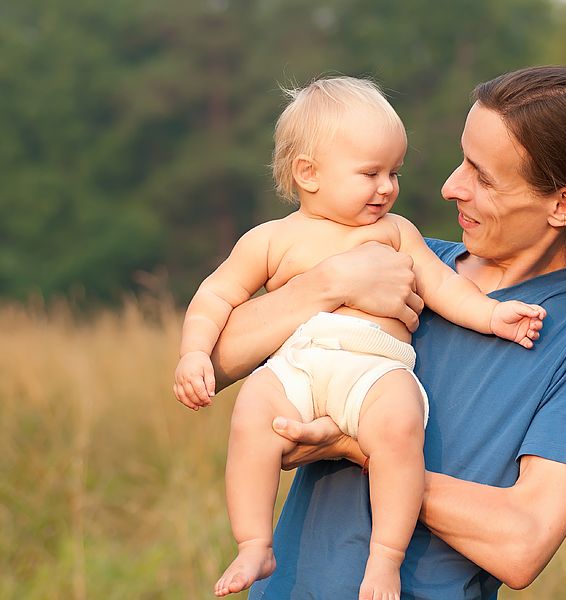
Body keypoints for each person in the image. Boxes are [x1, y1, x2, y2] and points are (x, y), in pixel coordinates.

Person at [211, 66, 566, 599]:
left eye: (483, 177)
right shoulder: (409, 264)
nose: (449, 187)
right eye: (462, 159)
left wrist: (356, 444)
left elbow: (522, 543)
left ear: (561, 205)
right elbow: (212, 362)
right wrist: (325, 286)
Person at [172, 76, 546, 599]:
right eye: (370, 173)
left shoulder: (395, 231)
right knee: (252, 414)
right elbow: (214, 298)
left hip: (374, 368)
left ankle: (384, 559)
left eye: (394, 172)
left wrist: (491, 316)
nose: (387, 188)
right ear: (309, 174)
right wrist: (193, 353)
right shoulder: (272, 239)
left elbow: (444, 287)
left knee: (398, 426)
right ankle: (254, 542)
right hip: (297, 366)